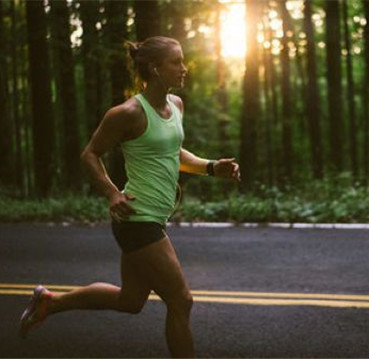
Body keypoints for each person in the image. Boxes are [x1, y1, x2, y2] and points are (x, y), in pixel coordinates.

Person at [19, 36, 241, 358]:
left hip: (151, 219)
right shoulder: (128, 112)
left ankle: (49, 303)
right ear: (155, 67)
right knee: (181, 301)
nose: (184, 68)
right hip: (138, 218)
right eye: (176, 61)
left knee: (130, 301)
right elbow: (90, 155)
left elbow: (171, 151)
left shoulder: (175, 105)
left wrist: (209, 167)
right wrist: (111, 193)